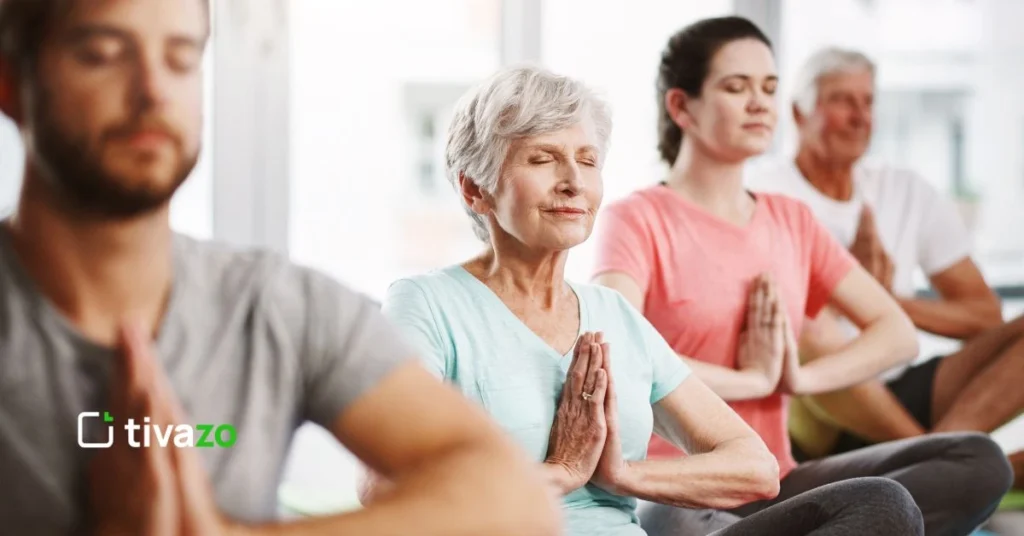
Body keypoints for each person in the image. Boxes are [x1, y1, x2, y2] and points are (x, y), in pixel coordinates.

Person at [0, 1, 562, 534]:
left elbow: (514, 501)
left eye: (181, 58)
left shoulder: (275, 305)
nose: (152, 91)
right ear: (10, 82)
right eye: (101, 55)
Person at [364, 64, 927, 536]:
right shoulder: (427, 304)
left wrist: (623, 475)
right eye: (542, 159)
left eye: (587, 160)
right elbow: (384, 489)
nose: (573, 181)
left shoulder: (613, 315)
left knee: (882, 504)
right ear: (474, 188)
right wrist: (561, 471)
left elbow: (755, 468)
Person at [591, 16, 1013, 536]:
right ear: (682, 107)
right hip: (677, 489)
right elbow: (617, 350)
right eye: (736, 87)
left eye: (769, 87)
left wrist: (798, 379)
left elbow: (897, 334)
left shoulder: (791, 219)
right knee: (884, 512)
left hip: (775, 480)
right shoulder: (636, 218)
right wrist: (751, 380)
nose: (759, 103)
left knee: (977, 461)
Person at [744, 46, 1024, 487]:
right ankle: (942, 460)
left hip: (896, 388)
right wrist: (845, 290)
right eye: (842, 100)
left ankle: (939, 459)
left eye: (868, 102)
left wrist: (885, 299)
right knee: (809, 328)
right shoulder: (763, 191)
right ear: (798, 113)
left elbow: (984, 315)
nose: (860, 117)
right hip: (811, 408)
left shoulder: (903, 188)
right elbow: (774, 324)